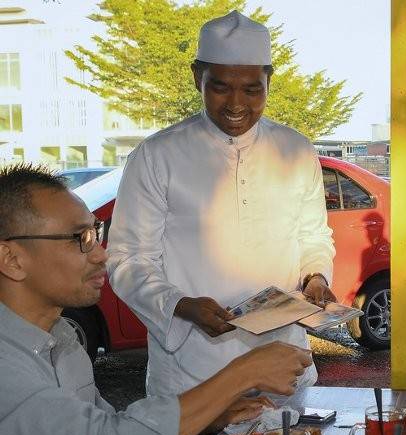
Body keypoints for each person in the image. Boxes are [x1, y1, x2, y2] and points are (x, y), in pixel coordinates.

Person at [0, 164, 312, 435]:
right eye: (80, 239)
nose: (101, 254)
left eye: (97, 232)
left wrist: (208, 420)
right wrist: (243, 371)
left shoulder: (63, 338)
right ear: (12, 259)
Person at [107, 10, 335, 404]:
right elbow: (127, 258)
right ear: (198, 77)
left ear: (268, 81)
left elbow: (312, 236)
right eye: (220, 87)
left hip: (280, 362)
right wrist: (181, 305)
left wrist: (315, 277)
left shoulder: (295, 150)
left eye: (252, 89)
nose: (236, 104)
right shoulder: (157, 155)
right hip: (190, 372)